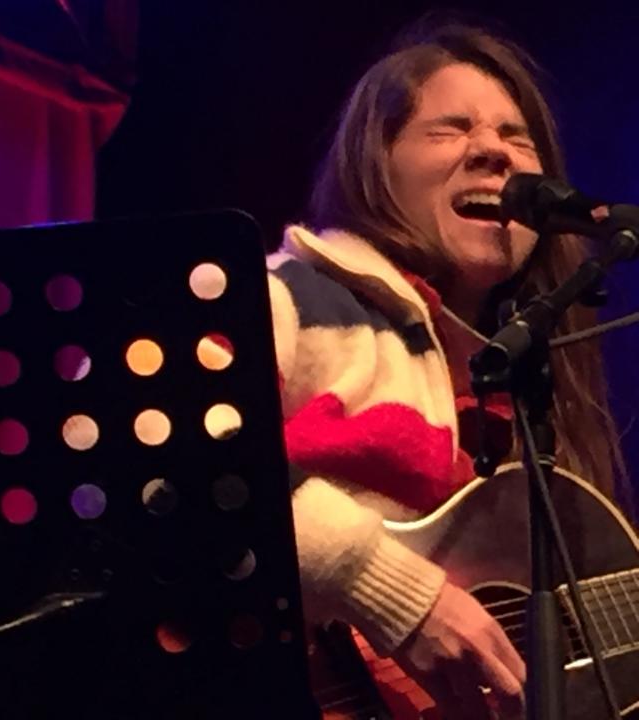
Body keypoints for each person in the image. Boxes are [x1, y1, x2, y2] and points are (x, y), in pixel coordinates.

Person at [269, 18, 629, 720]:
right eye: (451, 128)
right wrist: (392, 592)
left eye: (516, 137)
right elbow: (139, 450)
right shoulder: (282, 298)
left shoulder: (532, 390)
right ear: (378, 161)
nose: (494, 151)